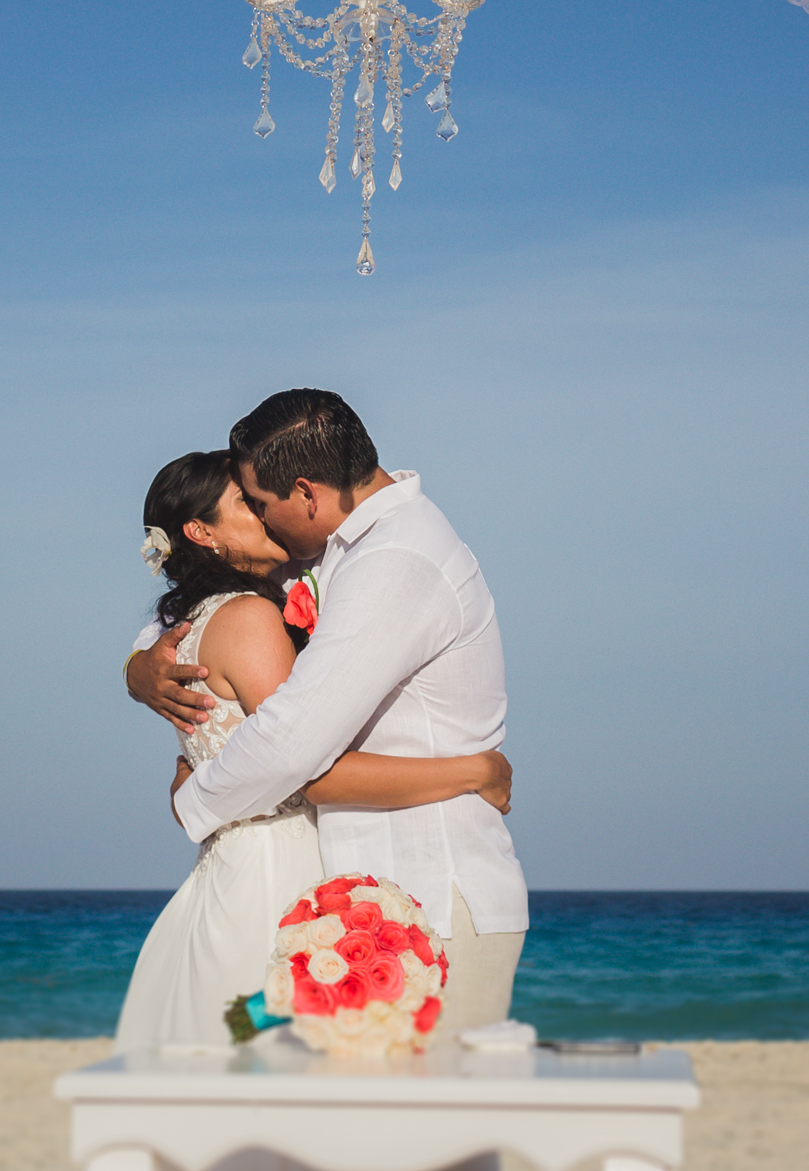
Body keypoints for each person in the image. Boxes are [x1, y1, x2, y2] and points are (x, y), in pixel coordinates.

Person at [125, 389, 528, 1032]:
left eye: (262, 505)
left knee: (433, 1120)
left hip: (430, 899)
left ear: (306, 494)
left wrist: (194, 801)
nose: (264, 522)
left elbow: (294, 749)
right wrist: (139, 668)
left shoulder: (394, 561)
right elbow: (200, 606)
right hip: (367, 905)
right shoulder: (338, 551)